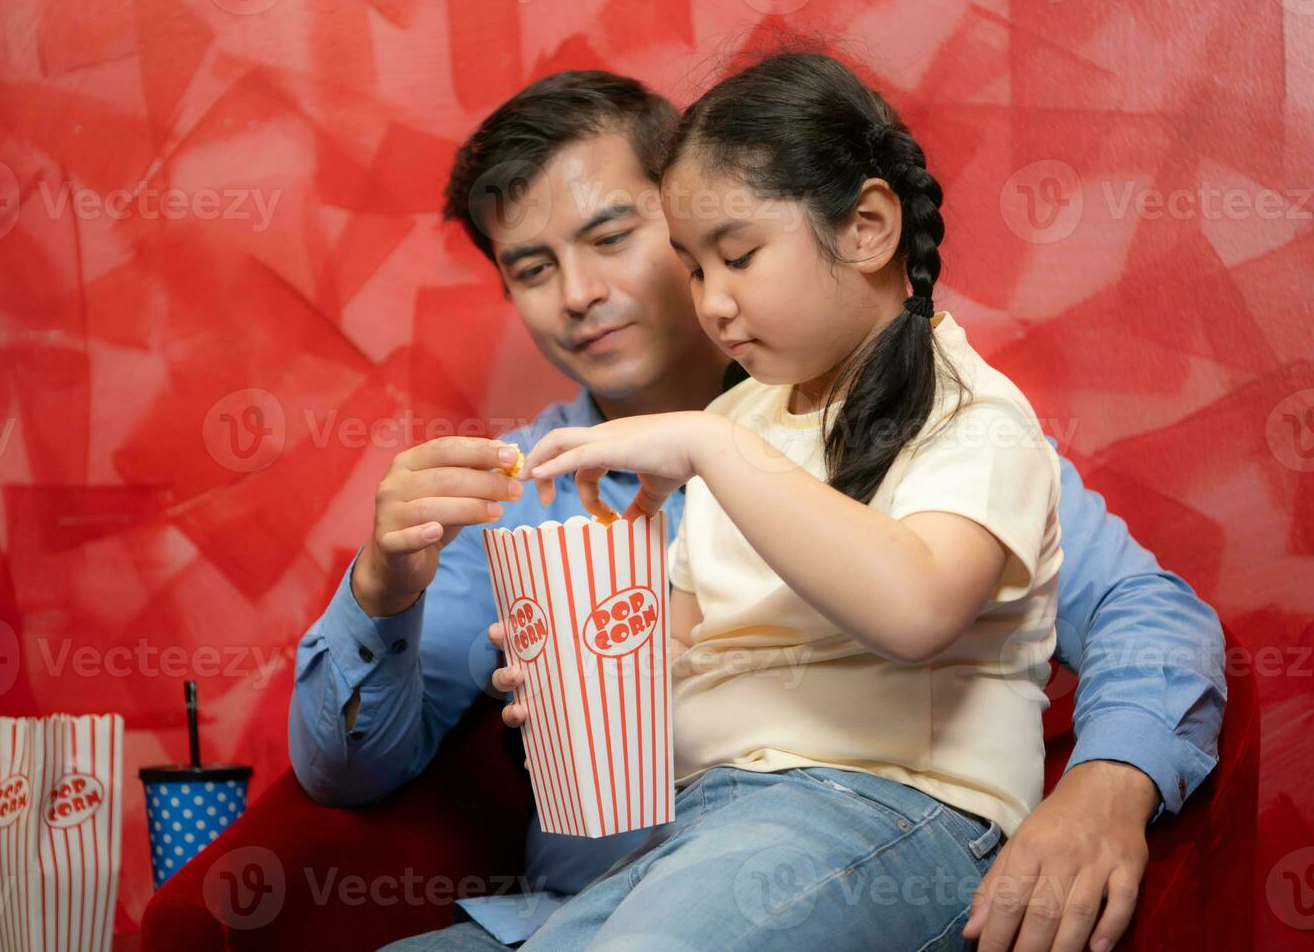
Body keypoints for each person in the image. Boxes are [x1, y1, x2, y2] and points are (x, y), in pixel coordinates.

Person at [291, 67, 1226, 952]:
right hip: (593, 899)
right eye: (533, 268)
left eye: (615, 238)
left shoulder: (916, 405)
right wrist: (385, 585)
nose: (580, 295)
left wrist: (1110, 782)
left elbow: (1141, 612)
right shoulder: (513, 491)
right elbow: (348, 774)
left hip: (835, 840)